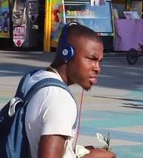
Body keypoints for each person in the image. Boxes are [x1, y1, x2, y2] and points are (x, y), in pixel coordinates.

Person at [24, 23, 116, 158]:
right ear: (67, 53)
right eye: (91, 59)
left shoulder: (35, 78)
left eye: (99, 61)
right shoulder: (60, 100)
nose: (97, 68)